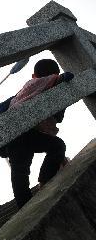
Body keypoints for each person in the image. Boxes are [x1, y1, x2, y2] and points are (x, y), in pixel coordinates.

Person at [7, 59, 74, 208]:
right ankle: (44, 181)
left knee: (20, 170)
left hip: (15, 133)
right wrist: (64, 77)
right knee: (57, 146)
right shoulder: (38, 82)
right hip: (25, 132)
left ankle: (23, 205)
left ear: (33, 74)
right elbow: (62, 78)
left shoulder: (29, 88)